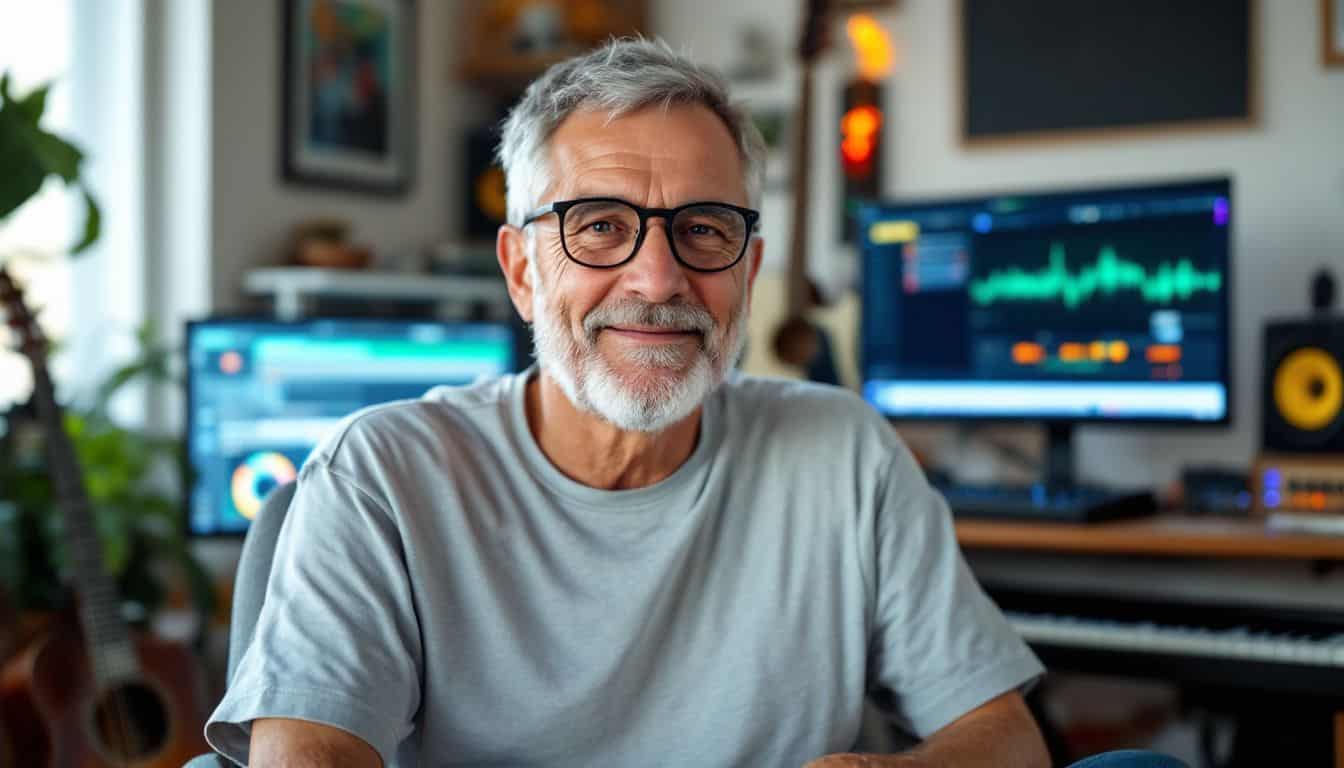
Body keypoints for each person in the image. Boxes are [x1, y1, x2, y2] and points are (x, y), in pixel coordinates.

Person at [202, 38, 1050, 768]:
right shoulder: (383, 473)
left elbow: (1004, 734)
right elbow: (310, 750)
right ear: (523, 270)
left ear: (747, 274)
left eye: (705, 229)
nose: (659, 279)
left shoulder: (845, 451)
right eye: (600, 225)